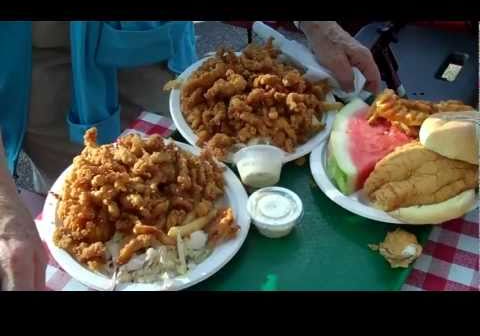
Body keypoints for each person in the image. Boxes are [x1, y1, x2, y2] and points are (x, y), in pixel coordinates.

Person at [0, 20, 380, 290]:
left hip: (152, 47)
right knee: (80, 231)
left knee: (211, 174)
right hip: (42, 70)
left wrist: (318, 25)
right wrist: (6, 212)